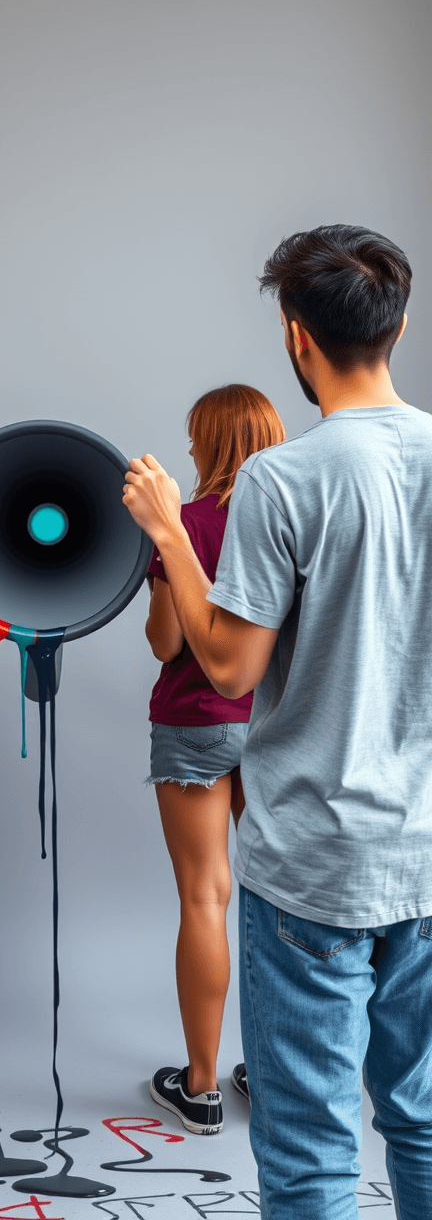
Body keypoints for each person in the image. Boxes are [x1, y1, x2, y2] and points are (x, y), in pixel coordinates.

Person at [123, 224, 432, 1219]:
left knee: (309, 1154)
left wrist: (170, 529)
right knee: (423, 1120)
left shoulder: (284, 480)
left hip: (313, 864)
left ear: (297, 338)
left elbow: (227, 664)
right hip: (425, 851)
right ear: (401, 321)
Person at [145, 385, 284, 1136]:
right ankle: (272, 1077)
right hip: (274, 725)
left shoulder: (184, 524)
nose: (191, 449)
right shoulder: (291, 515)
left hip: (194, 723)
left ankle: (199, 1087)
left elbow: (167, 643)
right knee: (273, 901)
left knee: (205, 898)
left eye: (197, 438)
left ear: (211, 442)